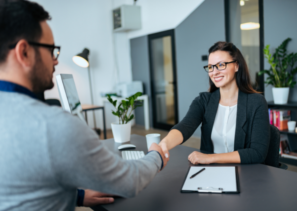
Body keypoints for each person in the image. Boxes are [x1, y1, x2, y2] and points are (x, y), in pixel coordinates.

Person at [0, 0, 169, 210]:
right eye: (52, 50)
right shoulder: (51, 126)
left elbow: (21, 188)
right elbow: (130, 181)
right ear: (24, 52)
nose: (56, 61)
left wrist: (78, 196)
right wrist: (156, 156)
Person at [159, 41, 270, 165]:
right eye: (211, 67)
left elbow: (257, 153)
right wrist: (164, 143)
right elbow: (185, 126)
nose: (214, 72)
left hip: (246, 173)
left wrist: (210, 158)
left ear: (237, 66)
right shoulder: (203, 101)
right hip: (211, 172)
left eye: (221, 65)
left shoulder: (256, 102)